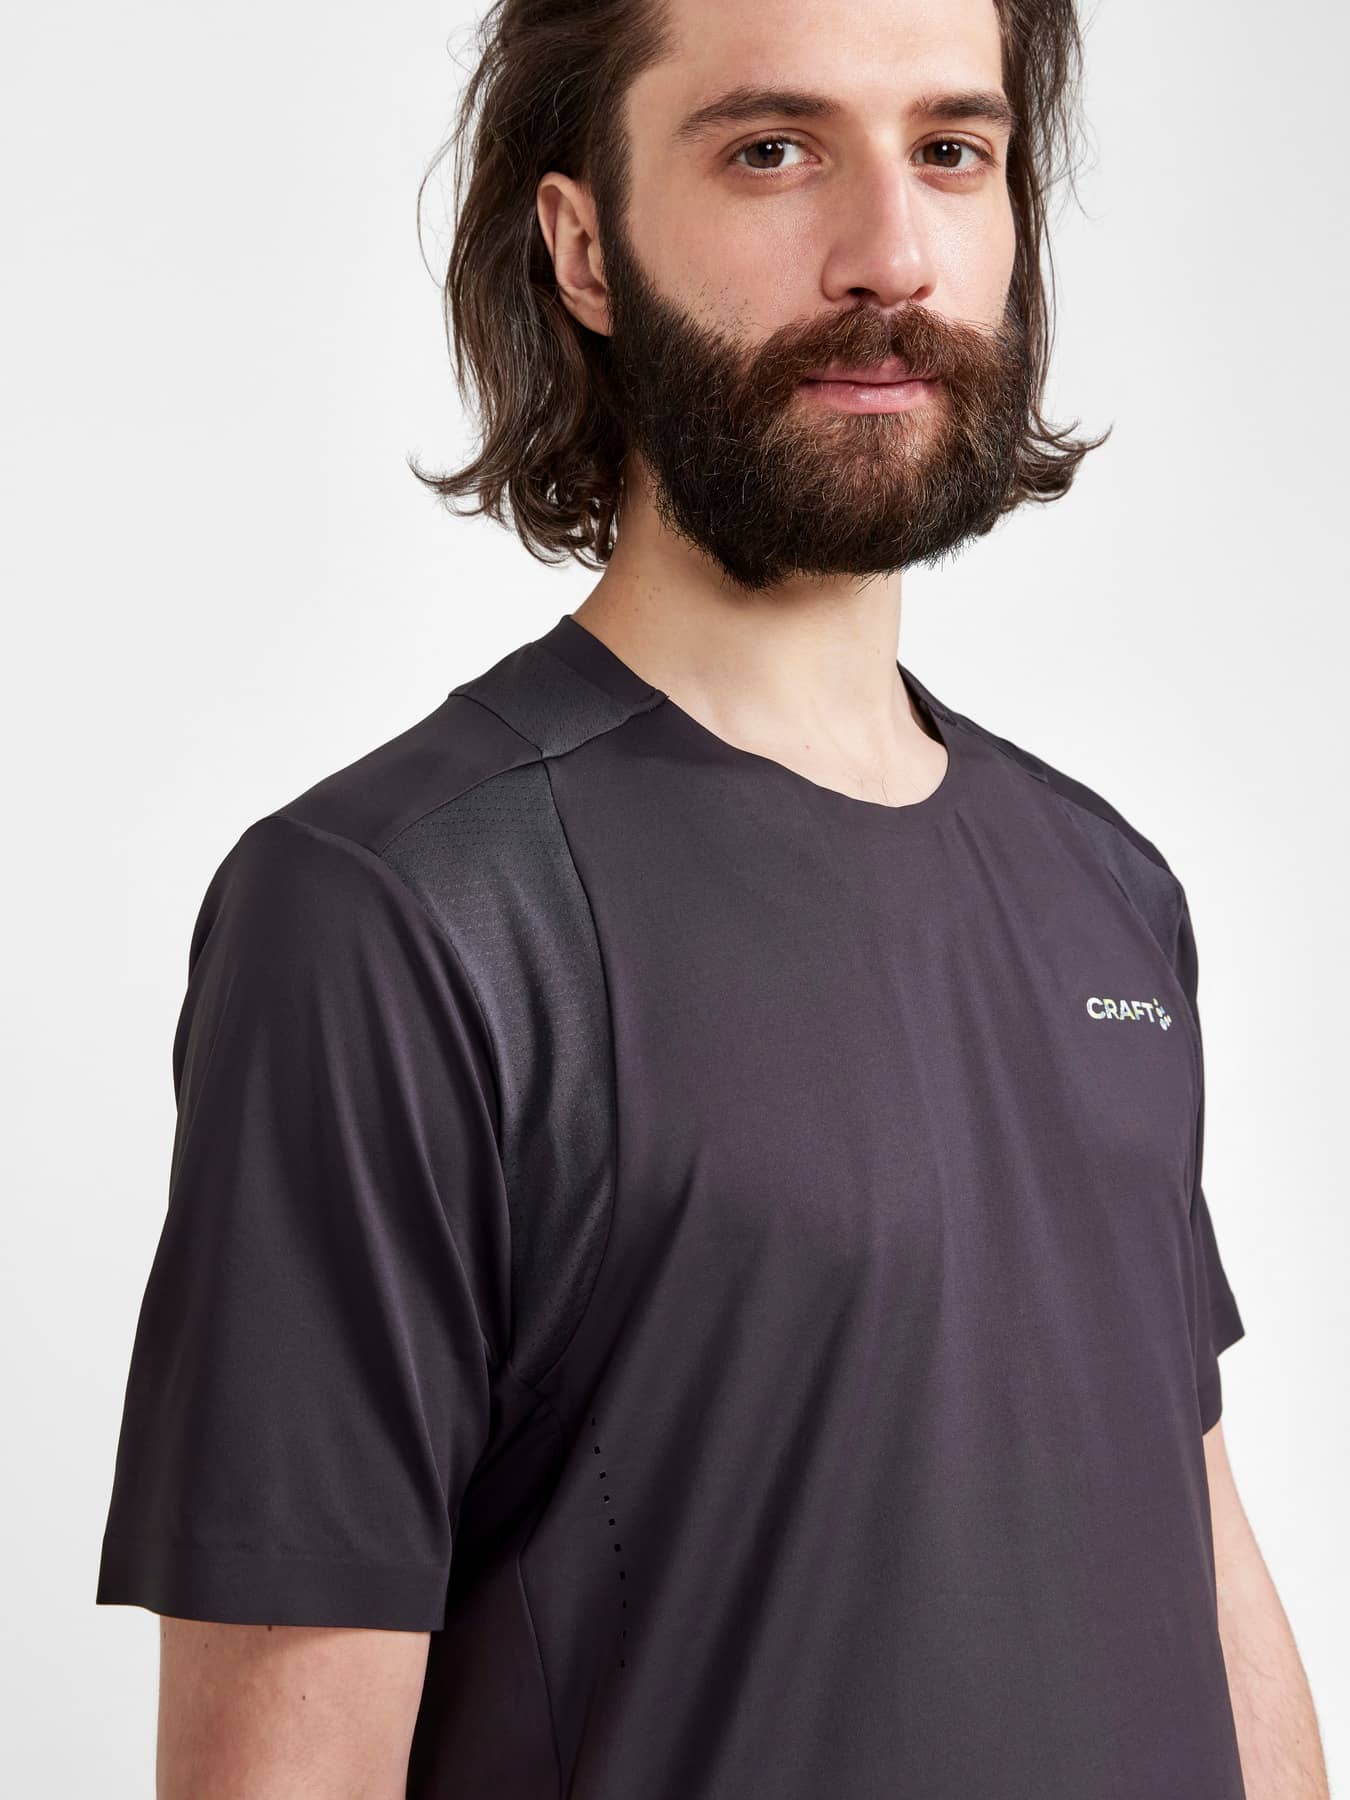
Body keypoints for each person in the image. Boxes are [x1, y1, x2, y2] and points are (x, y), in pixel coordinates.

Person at [95, 0, 1330, 1793]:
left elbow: (1194, 1547)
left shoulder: (1104, 888)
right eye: (771, 149)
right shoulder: (393, 917)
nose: (889, 251)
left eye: (950, 150)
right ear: (583, 246)